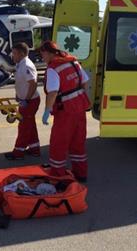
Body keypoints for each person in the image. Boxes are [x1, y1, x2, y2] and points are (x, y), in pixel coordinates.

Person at [39, 40, 90, 182]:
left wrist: (47, 110)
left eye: (42, 54)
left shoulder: (53, 68)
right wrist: (81, 100)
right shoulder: (73, 61)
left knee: (58, 143)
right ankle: (81, 173)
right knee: (78, 142)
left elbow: (53, 92)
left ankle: (57, 175)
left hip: (66, 111)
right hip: (80, 107)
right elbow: (85, 82)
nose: (42, 57)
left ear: (49, 53)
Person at [4, 42, 40, 160]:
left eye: (14, 53)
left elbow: (33, 83)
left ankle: (18, 152)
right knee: (30, 125)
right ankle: (35, 149)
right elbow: (21, 82)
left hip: (30, 101)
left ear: (21, 53)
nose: (12, 56)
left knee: (24, 126)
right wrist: (18, 95)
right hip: (25, 99)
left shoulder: (27, 65)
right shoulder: (20, 64)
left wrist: (27, 99)